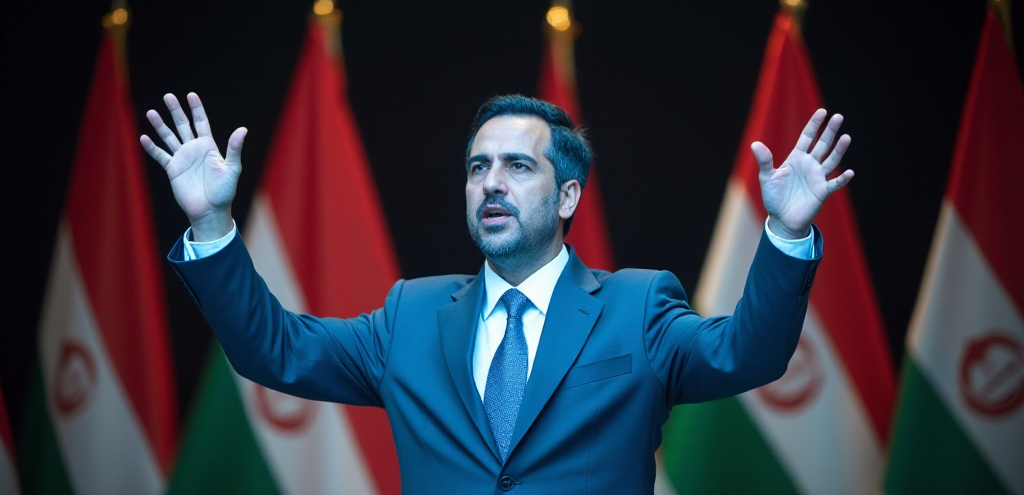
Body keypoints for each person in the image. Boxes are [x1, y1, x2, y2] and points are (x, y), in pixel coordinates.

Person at [141, 92, 853, 494]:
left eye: (517, 166)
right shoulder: (410, 316)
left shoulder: (637, 309)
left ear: (568, 195)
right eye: (478, 167)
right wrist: (212, 224)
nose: (491, 184)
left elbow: (747, 354)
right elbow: (275, 351)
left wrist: (787, 234)